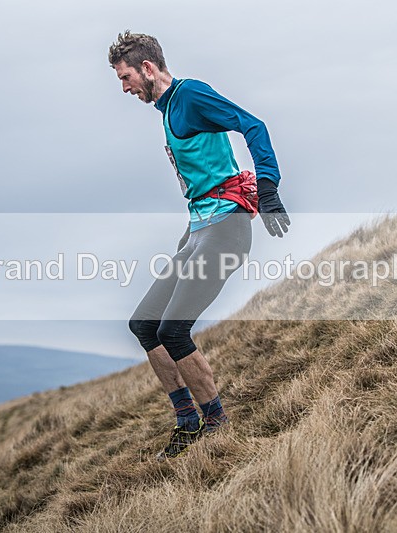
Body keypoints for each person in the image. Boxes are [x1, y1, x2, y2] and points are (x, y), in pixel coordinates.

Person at [108, 31, 290, 460]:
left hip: (226, 229)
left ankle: (217, 427)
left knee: (173, 330)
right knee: (144, 325)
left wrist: (268, 188)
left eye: (125, 77)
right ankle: (188, 422)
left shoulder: (189, 95)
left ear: (147, 68)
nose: (125, 88)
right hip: (198, 230)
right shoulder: (168, 108)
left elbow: (253, 125)